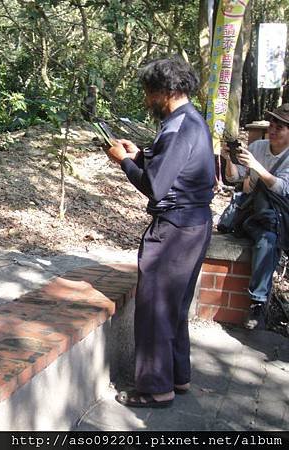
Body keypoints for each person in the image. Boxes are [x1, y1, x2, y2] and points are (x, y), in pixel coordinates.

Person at [105, 57, 215, 408]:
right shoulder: (191, 119)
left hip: (174, 231)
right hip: (194, 224)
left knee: (154, 308)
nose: (145, 100)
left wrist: (123, 162)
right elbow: (178, 166)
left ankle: (155, 389)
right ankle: (178, 377)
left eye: (148, 93)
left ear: (165, 91)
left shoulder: (177, 126)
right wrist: (139, 155)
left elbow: (156, 186)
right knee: (176, 307)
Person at [221, 103, 289, 330]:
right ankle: (258, 302)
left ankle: (257, 303)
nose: (273, 129)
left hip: (278, 219)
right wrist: (230, 159)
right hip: (253, 215)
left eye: (280, 127)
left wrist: (257, 167)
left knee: (268, 240)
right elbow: (235, 179)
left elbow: (282, 189)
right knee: (267, 233)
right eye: (272, 124)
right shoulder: (258, 146)